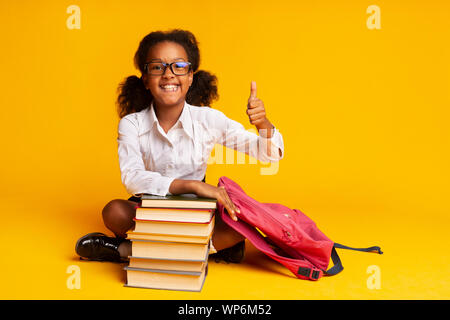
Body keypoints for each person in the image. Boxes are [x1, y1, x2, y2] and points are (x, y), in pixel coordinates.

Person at [75, 29, 284, 264]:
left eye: (179, 66)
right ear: (145, 79)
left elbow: (269, 155)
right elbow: (132, 178)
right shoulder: (131, 124)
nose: (168, 74)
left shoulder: (208, 119)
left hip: (198, 212)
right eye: (157, 67)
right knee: (114, 211)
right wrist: (192, 185)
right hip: (151, 210)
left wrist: (262, 124)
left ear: (191, 76)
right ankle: (206, 249)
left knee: (242, 224)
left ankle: (125, 250)